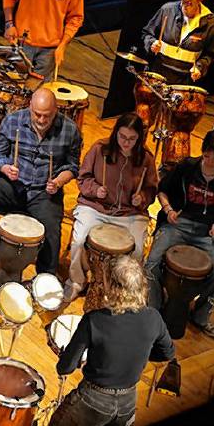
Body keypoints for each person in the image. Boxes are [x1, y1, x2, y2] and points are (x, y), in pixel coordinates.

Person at [48, 256, 175, 426]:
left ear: (113, 287)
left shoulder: (94, 320)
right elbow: (168, 353)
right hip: (127, 404)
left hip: (91, 402)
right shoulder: (154, 317)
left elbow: (65, 368)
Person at [0, 88, 83, 284]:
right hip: (13, 184)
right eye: (37, 114)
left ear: (56, 110)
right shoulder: (13, 120)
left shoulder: (70, 130)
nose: (40, 120)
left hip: (44, 191)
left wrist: (58, 181)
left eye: (46, 116)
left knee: (52, 229)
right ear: (30, 107)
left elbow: (73, 166)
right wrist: (5, 167)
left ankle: (44, 277)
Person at [144, 129, 214, 339]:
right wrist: (168, 209)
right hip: (179, 223)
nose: (210, 162)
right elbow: (162, 190)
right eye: (207, 156)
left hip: (209, 231)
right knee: (150, 264)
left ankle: (200, 315)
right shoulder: (187, 167)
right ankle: (155, 306)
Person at [64, 113, 158, 301]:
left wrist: (142, 198)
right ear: (116, 133)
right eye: (122, 137)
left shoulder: (146, 158)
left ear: (139, 138)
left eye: (132, 139)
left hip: (129, 213)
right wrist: (95, 189)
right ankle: (76, 281)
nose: (126, 142)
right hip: (96, 207)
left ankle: (123, 289)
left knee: (138, 250)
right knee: (79, 240)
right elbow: (83, 178)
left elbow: (151, 189)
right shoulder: (100, 149)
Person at [141, 0, 214, 85]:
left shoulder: (209, 23)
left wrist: (199, 67)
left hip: (183, 83)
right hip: (157, 75)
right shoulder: (167, 10)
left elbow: (211, 54)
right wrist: (151, 43)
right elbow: (146, 33)